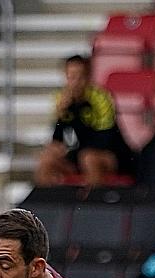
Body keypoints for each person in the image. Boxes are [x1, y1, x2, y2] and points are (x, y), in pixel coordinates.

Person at [35, 55, 135, 187]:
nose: (75, 82)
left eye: (80, 77)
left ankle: (92, 203)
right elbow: (58, 137)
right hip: (81, 153)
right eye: (71, 77)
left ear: (88, 77)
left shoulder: (101, 98)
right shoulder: (63, 99)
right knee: (47, 158)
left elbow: (105, 138)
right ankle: (48, 203)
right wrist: (61, 114)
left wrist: (76, 110)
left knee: (89, 158)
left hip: (113, 155)